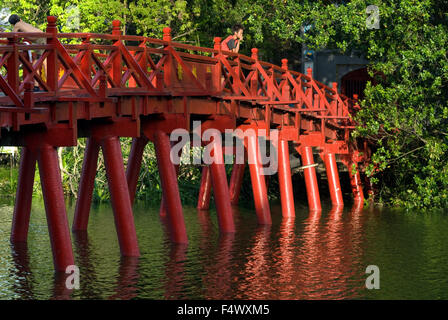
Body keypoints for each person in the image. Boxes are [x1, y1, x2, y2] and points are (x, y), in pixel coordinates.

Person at [9, 14, 46, 91]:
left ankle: (45, 86)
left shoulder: (17, 25)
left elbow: (12, 37)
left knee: (41, 63)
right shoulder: (23, 23)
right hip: (42, 37)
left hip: (40, 40)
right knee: (38, 63)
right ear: (20, 19)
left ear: (12, 24)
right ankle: (39, 85)